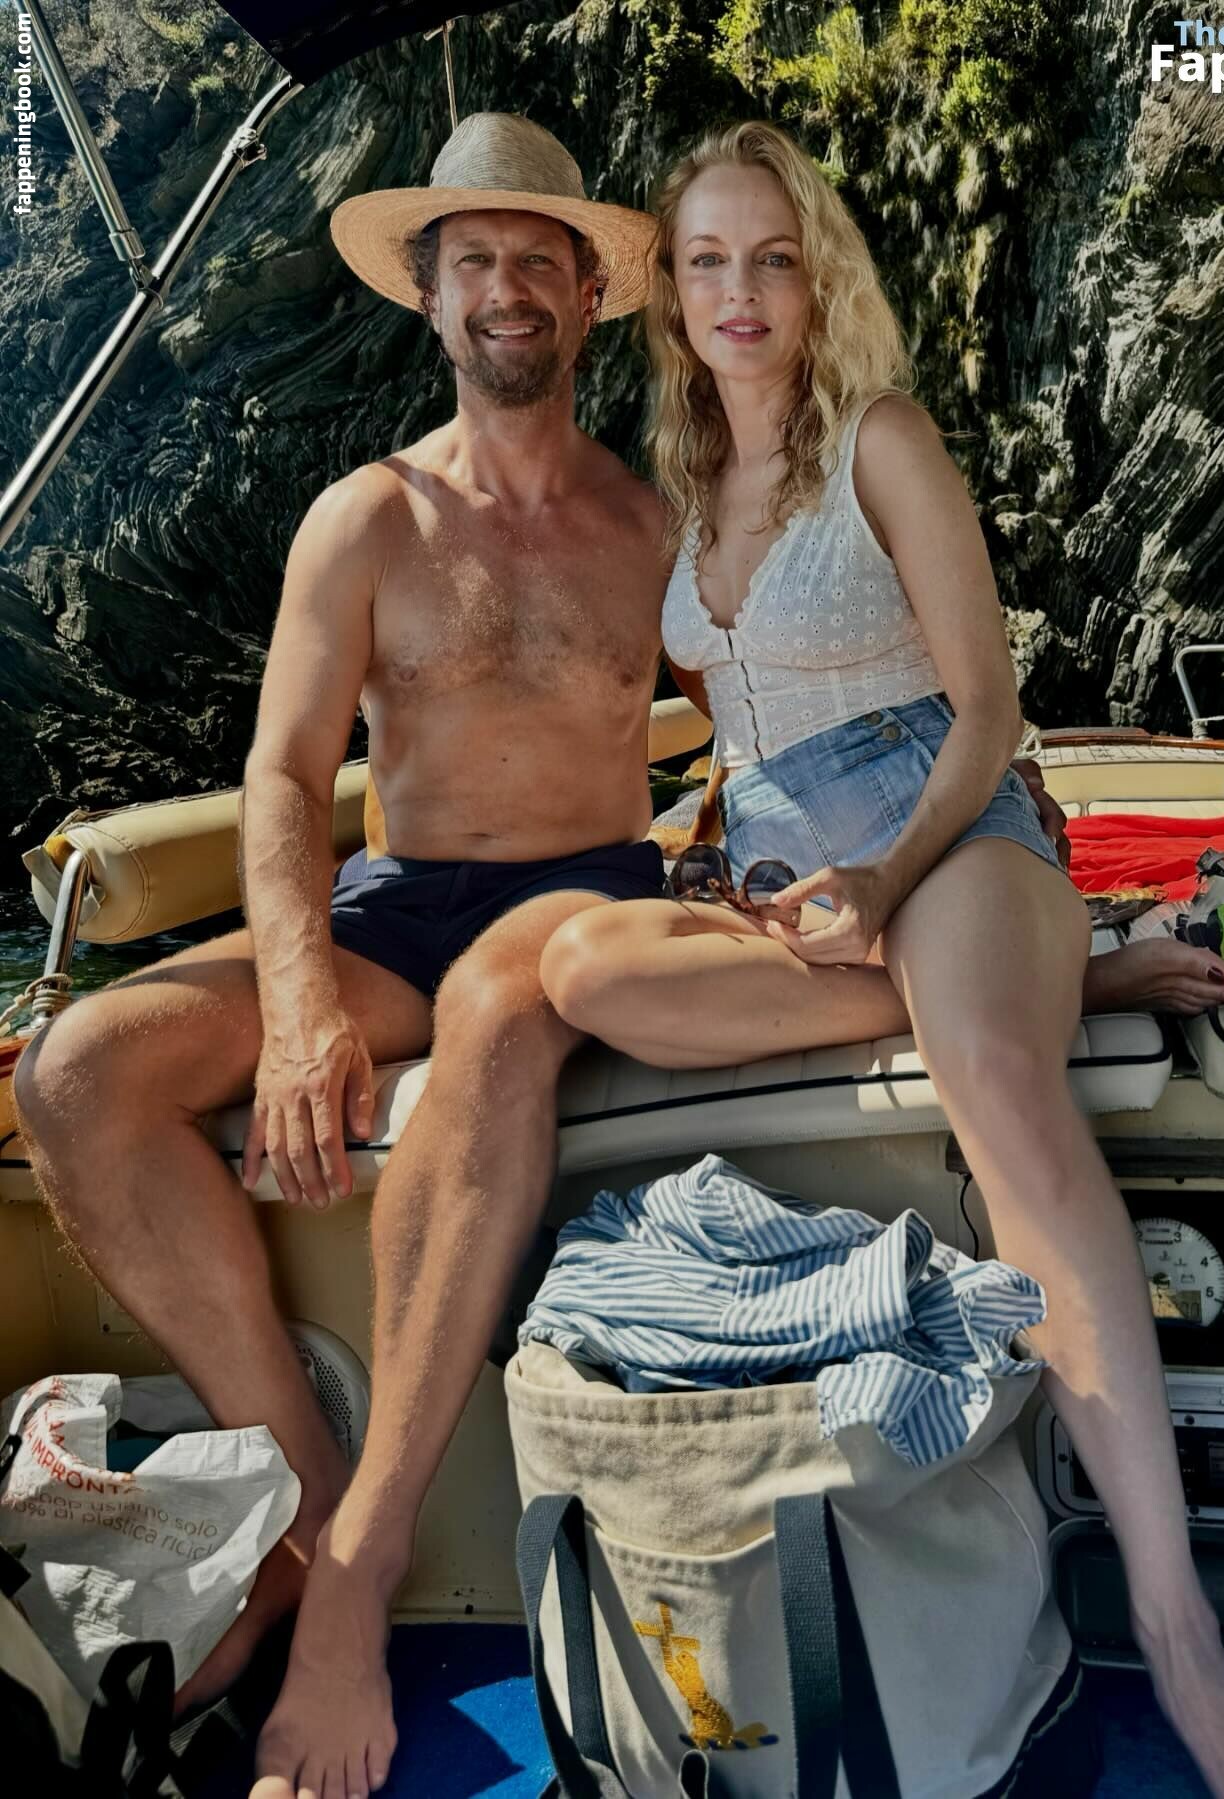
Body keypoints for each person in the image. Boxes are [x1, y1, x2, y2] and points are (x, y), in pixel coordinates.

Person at [538, 121, 1224, 1799]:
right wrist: (732, 850)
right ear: (670, 294)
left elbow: (987, 710)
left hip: (951, 826)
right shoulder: (683, 489)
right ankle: (1059, 977)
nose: (741, 294)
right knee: (584, 975)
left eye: (773, 259)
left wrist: (893, 876)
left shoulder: (881, 441)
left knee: (988, 1076)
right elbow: (732, 725)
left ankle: (1179, 1637)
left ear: (816, 275)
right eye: (707, 262)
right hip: (794, 877)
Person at [14, 113, 670, 1799]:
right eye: (475, 262)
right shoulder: (366, 518)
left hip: (585, 896)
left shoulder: (656, 522)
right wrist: (303, 1005)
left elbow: (775, 705)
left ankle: (349, 1575)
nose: (507, 289)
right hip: (399, 909)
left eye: (538, 261)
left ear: (591, 294)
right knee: (78, 1072)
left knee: (498, 1004)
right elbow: (290, 777)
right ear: (428, 297)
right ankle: (307, 1502)